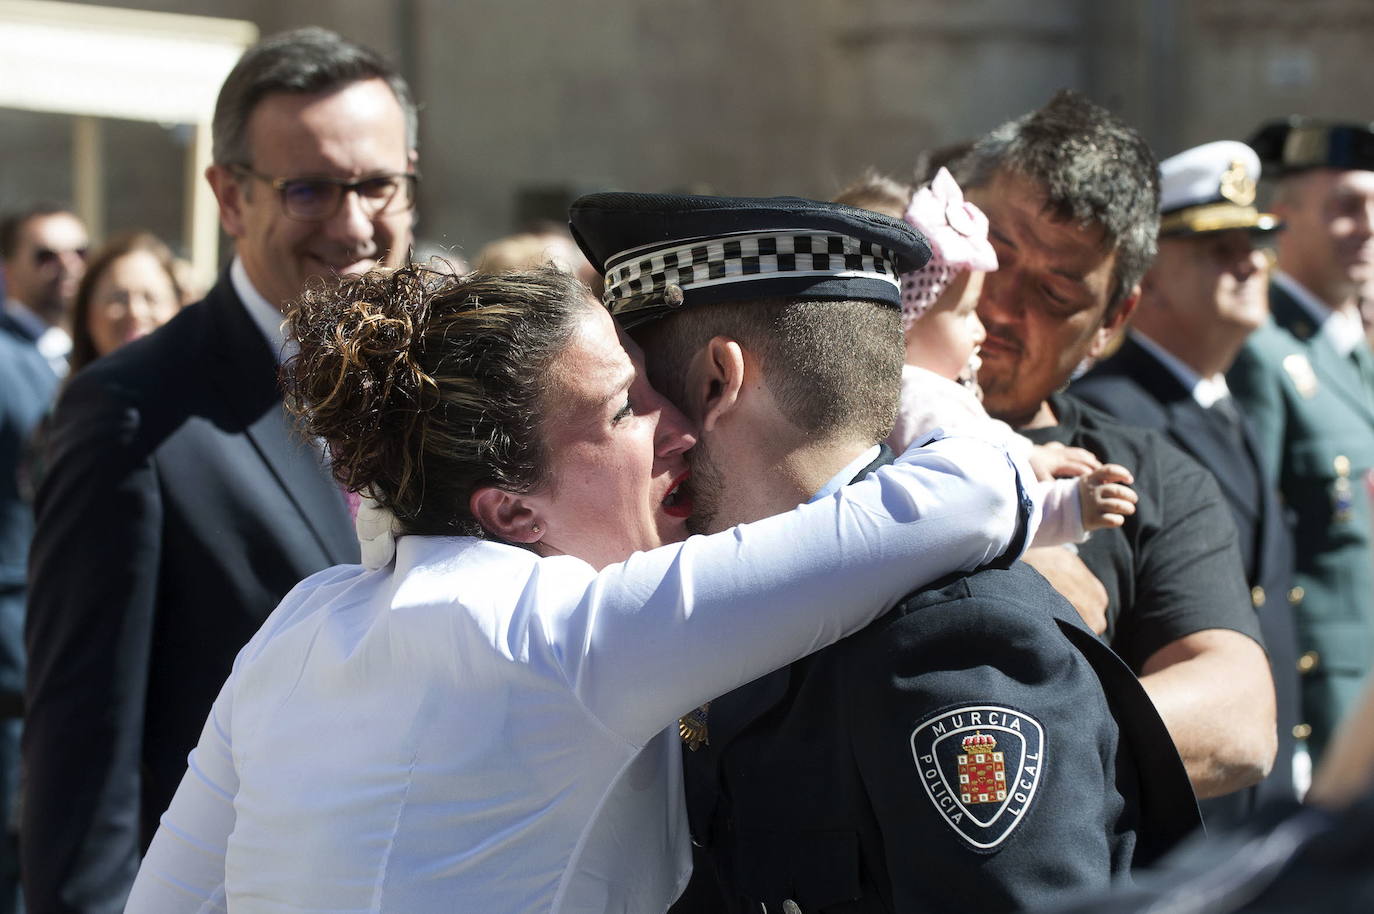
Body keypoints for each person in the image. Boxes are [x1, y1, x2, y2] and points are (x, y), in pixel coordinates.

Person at [125, 263, 1035, 913]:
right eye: (625, 408)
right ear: (512, 510)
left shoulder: (304, 619)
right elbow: (971, 497)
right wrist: (892, 384)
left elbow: (168, 899)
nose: (678, 426)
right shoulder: (570, 635)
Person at [569, 190, 1200, 914]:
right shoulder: (748, 605)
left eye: (644, 393)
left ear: (718, 381)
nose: (646, 433)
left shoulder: (953, 647)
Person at [23, 28, 415, 912]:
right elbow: (85, 760)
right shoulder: (133, 413)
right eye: (310, 189)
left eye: (377, 185)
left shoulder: (451, 390)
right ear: (230, 198)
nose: (354, 225)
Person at [952, 90, 1276, 803]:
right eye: (991, 255)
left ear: (1111, 321)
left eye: (1056, 293)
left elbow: (1237, 722)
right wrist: (989, 541)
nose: (1001, 306)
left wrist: (988, 748)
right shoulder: (829, 416)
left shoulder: (1147, 479)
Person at [1073, 140, 1302, 823]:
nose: (1251, 262)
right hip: (1183, 805)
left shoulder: (1222, 404)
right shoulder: (1112, 416)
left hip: (1257, 790)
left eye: (1255, 243)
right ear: (1146, 275)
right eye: (1217, 248)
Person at [891, 166, 1138, 551]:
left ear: (1112, 319)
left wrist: (1030, 453)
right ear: (908, 321)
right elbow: (980, 502)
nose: (984, 326)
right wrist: (1067, 507)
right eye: (965, 313)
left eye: (1055, 294)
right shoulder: (918, 399)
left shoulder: (926, 396)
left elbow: (981, 439)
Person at [1227, 119, 1374, 763]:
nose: (1368, 226)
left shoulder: (1349, 352)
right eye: (1346, 208)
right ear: (1283, 220)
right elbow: (1252, 550)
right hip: (1317, 704)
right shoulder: (1262, 351)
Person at [66, 231, 184, 376]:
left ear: (177, 308)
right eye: (118, 298)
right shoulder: (73, 390)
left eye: (150, 298)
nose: (135, 312)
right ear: (86, 313)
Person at [0, 204, 88, 377]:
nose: (69, 265)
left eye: (80, 253)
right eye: (47, 256)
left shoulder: (98, 345)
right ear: (8, 270)